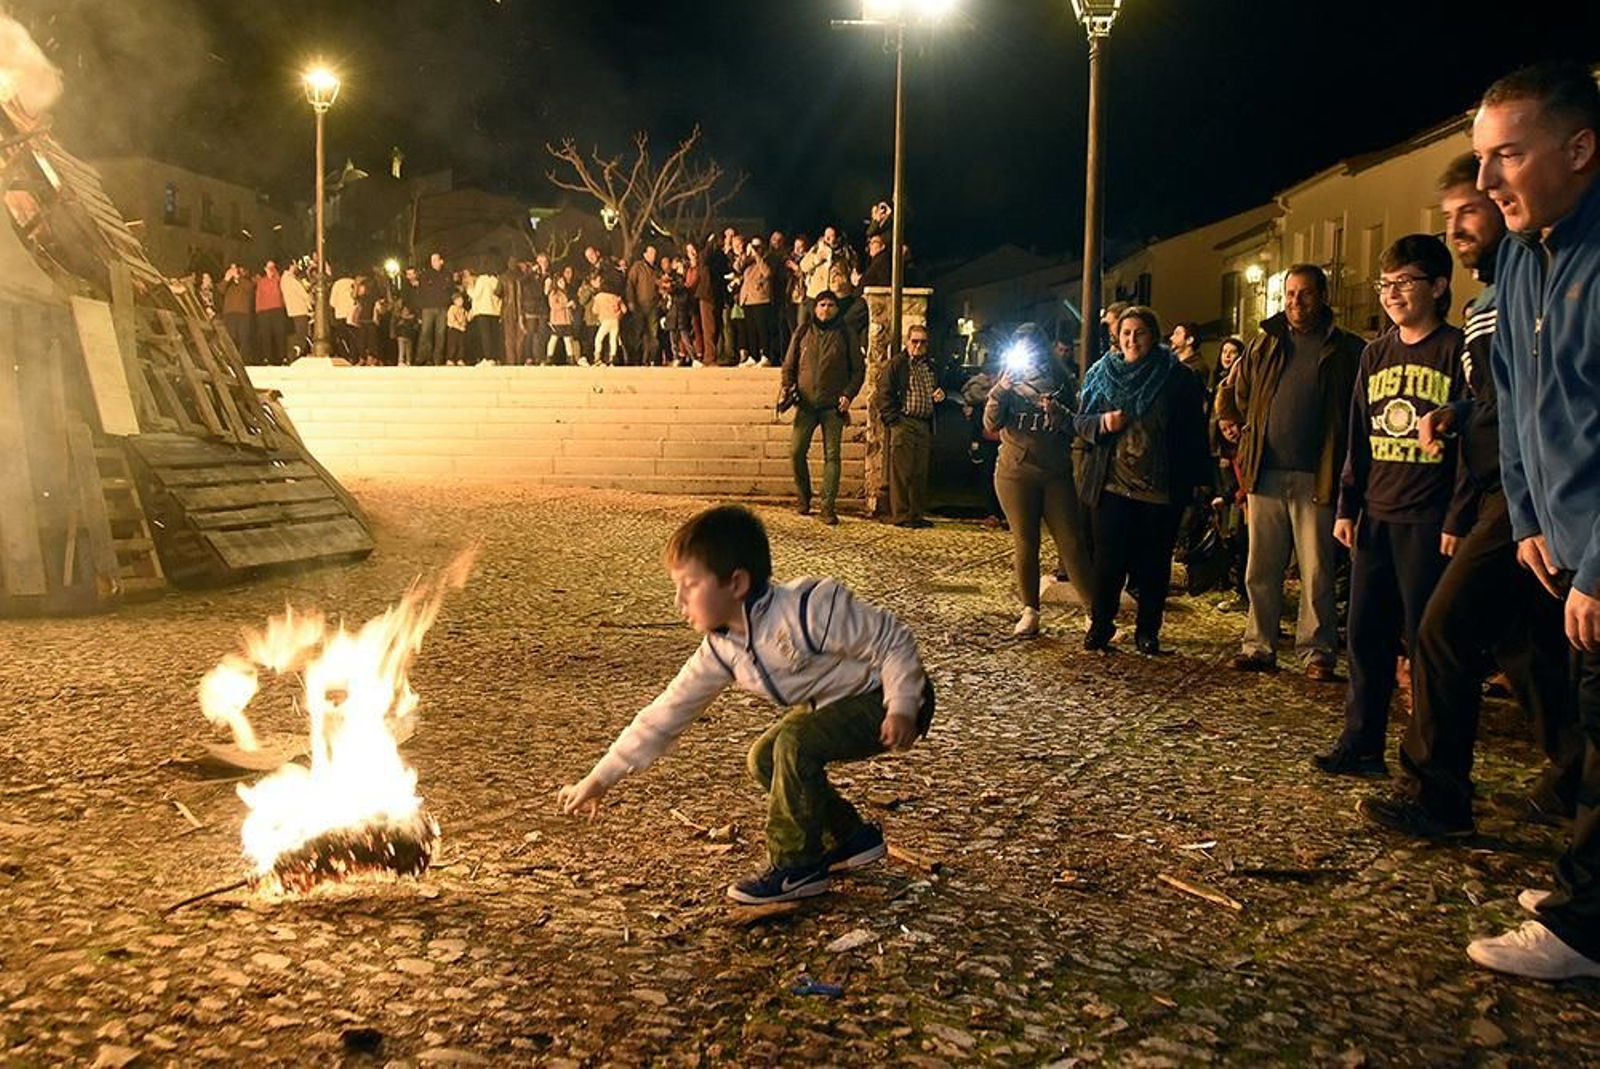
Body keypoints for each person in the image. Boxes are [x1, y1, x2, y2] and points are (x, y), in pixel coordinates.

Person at [556, 505, 932, 905]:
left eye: (690, 584)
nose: (678, 600)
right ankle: (848, 837)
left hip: (889, 696)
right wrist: (599, 779)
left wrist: (902, 706)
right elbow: (665, 714)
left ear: (736, 582)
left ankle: (795, 867)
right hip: (832, 706)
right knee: (766, 757)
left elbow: (892, 641)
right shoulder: (722, 649)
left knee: (794, 740)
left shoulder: (808, 609)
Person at [1360, 154, 1579, 837]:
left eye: (1471, 209)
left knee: (1443, 627)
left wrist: (1507, 495)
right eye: (1452, 211)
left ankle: (1439, 793)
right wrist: (1459, 412)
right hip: (1513, 492)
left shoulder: (1534, 277)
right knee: (1527, 644)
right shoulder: (1509, 281)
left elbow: (1538, 401)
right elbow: (1499, 399)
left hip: (1520, 498)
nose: (1463, 219)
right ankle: (1571, 773)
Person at [1462, 60, 1600, 982]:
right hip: (1558, 532)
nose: (1484, 184)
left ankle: (1587, 927)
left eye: (1506, 154)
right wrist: (1527, 515)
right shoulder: (1520, 256)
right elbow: (1516, 399)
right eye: (1480, 159)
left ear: (1580, 149)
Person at [1313, 235, 1461, 776]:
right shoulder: (1376, 353)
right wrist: (1348, 506)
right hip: (1376, 514)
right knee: (1367, 636)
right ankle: (1362, 742)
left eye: (1405, 282)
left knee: (1426, 642)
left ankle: (1427, 757)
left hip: (1428, 519)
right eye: (1386, 284)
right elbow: (1359, 435)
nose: (1392, 294)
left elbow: (1471, 445)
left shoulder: (1455, 351)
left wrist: (1457, 516)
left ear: (1438, 286)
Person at [1215, 265, 1365, 680]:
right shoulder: (1266, 346)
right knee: (1261, 566)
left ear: (1323, 295)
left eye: (1305, 294)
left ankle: (1316, 651)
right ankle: (1258, 644)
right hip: (1265, 472)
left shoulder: (1346, 350)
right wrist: (1231, 422)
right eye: (1291, 294)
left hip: (1318, 476)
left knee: (1316, 569)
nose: (1296, 303)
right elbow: (1231, 390)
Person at [1074, 306, 1212, 654]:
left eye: (1140, 333)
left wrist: (1201, 483)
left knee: (1154, 564)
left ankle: (1147, 632)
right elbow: (1081, 422)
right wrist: (1104, 423)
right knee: (1108, 563)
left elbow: (1194, 433)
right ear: (1118, 339)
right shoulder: (1101, 374)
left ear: (1153, 336)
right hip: (1112, 484)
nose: (1132, 340)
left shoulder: (1176, 377)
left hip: (1160, 487)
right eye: (1126, 334)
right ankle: (1100, 627)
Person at [983, 323, 1095, 638]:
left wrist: (1057, 412)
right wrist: (1000, 390)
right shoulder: (1007, 379)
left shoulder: (1060, 379)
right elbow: (991, 423)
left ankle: (1094, 614)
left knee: (1072, 542)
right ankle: (1030, 610)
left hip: (1055, 472)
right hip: (1015, 472)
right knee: (1025, 541)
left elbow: (1076, 423)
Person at [781, 291, 862, 526]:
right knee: (796, 451)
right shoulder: (804, 331)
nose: (826, 309)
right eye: (822, 305)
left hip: (832, 407)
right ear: (815, 308)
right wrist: (788, 386)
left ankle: (828, 507)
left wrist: (848, 395)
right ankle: (804, 498)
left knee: (832, 456)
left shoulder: (846, 334)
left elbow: (858, 370)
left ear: (837, 308)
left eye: (830, 305)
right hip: (806, 404)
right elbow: (789, 363)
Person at [874, 323, 944, 528]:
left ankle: (916, 514)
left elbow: (938, 388)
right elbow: (883, 393)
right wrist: (893, 421)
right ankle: (902, 514)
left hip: (923, 423)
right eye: (915, 341)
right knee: (902, 472)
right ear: (907, 342)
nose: (918, 346)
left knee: (920, 471)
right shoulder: (897, 365)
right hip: (904, 421)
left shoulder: (930, 367)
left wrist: (940, 395)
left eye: (923, 342)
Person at [415, 252, 452, 366]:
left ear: (441, 261)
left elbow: (451, 290)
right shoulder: (425, 275)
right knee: (426, 332)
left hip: (442, 308)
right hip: (428, 308)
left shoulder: (447, 275)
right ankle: (422, 358)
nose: (433, 262)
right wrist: (420, 310)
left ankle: (437, 359)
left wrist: (448, 303)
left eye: (436, 260)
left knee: (440, 333)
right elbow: (420, 293)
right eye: (432, 260)